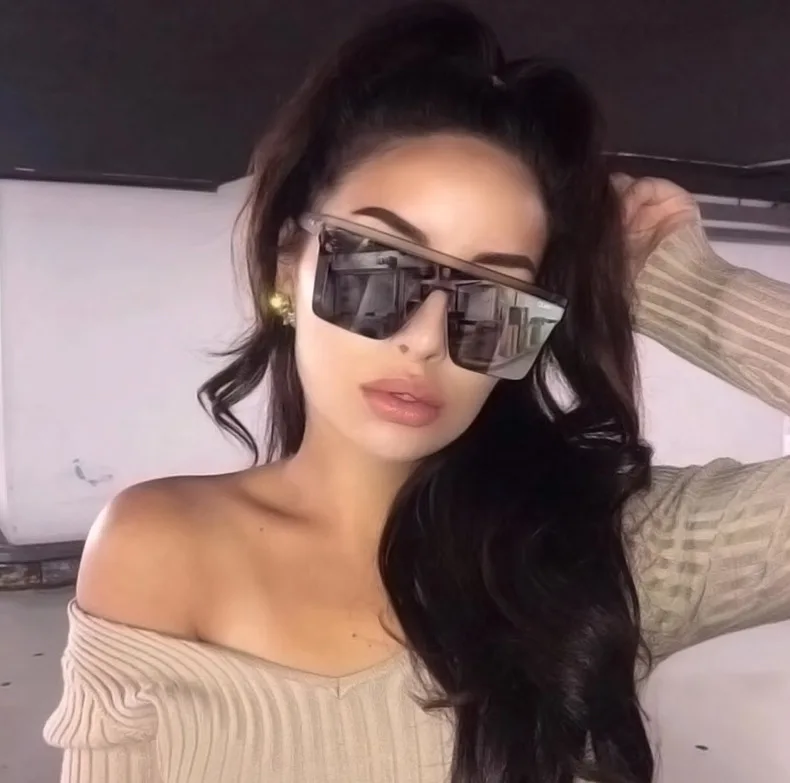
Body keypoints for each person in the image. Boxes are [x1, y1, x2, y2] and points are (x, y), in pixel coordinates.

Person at [44, 3, 790, 783]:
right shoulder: (158, 549)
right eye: (380, 267)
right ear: (287, 266)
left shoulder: (609, 549)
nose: (427, 336)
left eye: (493, 297)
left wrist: (688, 291)